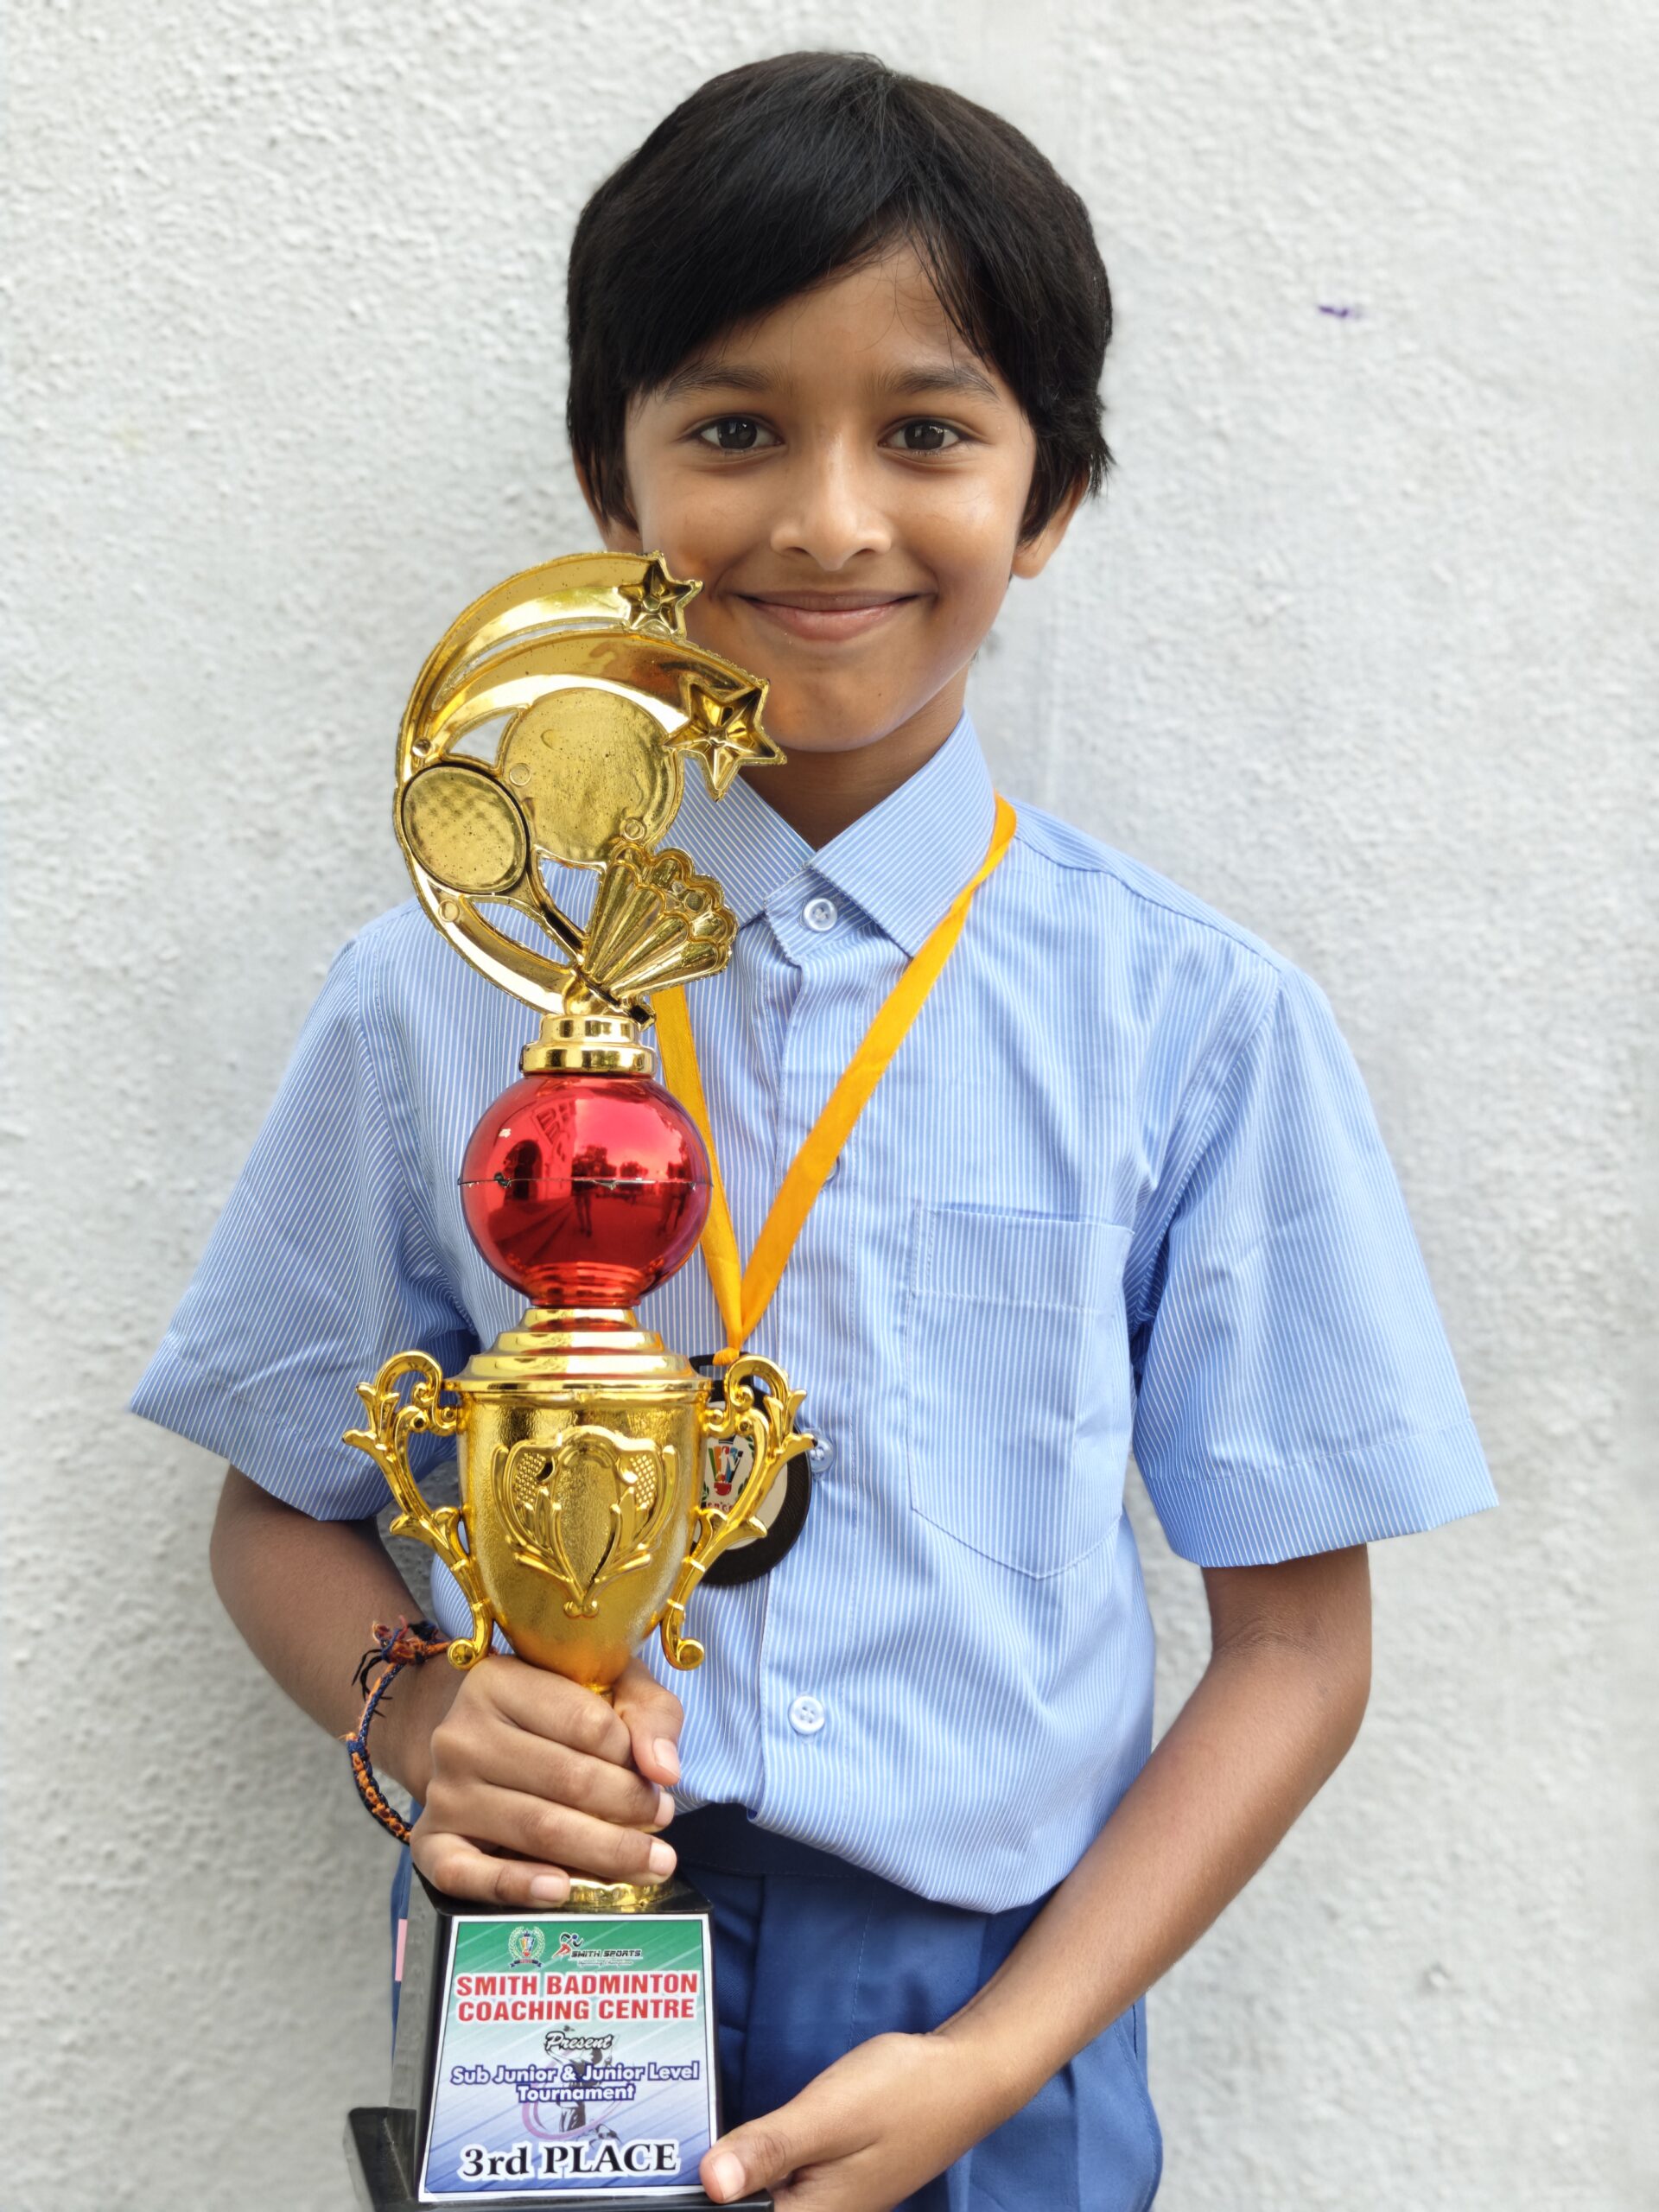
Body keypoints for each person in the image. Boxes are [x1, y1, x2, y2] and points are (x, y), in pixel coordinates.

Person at [132, 51, 1497, 2211]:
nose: (832, 517)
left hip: (991, 2012)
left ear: (1047, 499)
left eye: (930, 431)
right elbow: (275, 1509)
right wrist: (413, 1715)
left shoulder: (1193, 1024)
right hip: (553, 1969)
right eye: (736, 427)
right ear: (615, 481)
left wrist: (997, 2057)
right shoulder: (444, 987)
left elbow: (1300, 1647)